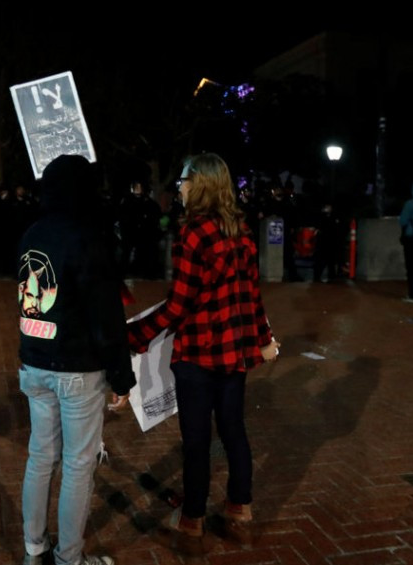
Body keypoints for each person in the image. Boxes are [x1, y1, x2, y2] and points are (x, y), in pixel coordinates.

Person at [128, 153, 279, 551]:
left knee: (196, 441)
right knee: (233, 431)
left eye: (184, 179)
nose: (179, 186)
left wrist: (135, 335)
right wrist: (262, 339)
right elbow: (252, 297)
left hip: (197, 354)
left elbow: (178, 306)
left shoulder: (193, 234)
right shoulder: (242, 232)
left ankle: (193, 517)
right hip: (233, 356)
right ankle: (239, 505)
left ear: (202, 184)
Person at [17, 155, 135, 565]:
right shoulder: (87, 238)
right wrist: (121, 376)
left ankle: (34, 549)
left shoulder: (33, 233)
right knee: (78, 466)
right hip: (76, 367)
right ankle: (69, 558)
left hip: (35, 361)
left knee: (40, 457)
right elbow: (105, 317)